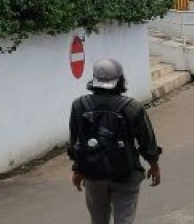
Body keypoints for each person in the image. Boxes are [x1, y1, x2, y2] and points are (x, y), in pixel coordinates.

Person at [69, 58, 162, 224]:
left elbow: (76, 142)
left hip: (93, 174)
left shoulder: (79, 105)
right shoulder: (132, 107)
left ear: (94, 80)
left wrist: (77, 170)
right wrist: (154, 166)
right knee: (124, 219)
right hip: (126, 173)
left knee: (98, 220)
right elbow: (147, 141)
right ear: (120, 80)